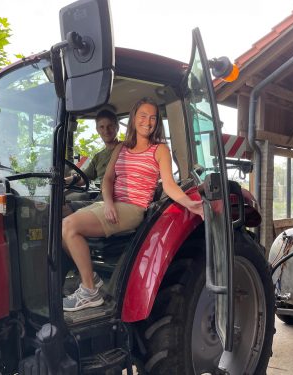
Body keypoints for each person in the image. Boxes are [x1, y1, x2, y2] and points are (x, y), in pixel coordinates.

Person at [61, 97, 204, 312]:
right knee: (61, 227)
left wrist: (191, 204)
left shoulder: (160, 150)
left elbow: (169, 185)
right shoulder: (121, 148)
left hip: (133, 208)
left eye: (153, 118)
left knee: (70, 227)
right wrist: (108, 203)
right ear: (134, 118)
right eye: (143, 116)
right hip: (110, 204)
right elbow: (108, 180)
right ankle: (93, 280)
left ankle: (90, 292)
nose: (148, 122)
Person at [63, 109, 120, 217]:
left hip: (115, 202)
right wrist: (63, 181)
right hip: (100, 201)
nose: (106, 131)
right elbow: (83, 178)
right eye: (102, 127)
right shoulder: (99, 156)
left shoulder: (126, 149)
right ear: (97, 130)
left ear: (117, 127)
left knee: (64, 211)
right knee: (60, 207)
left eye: (110, 126)